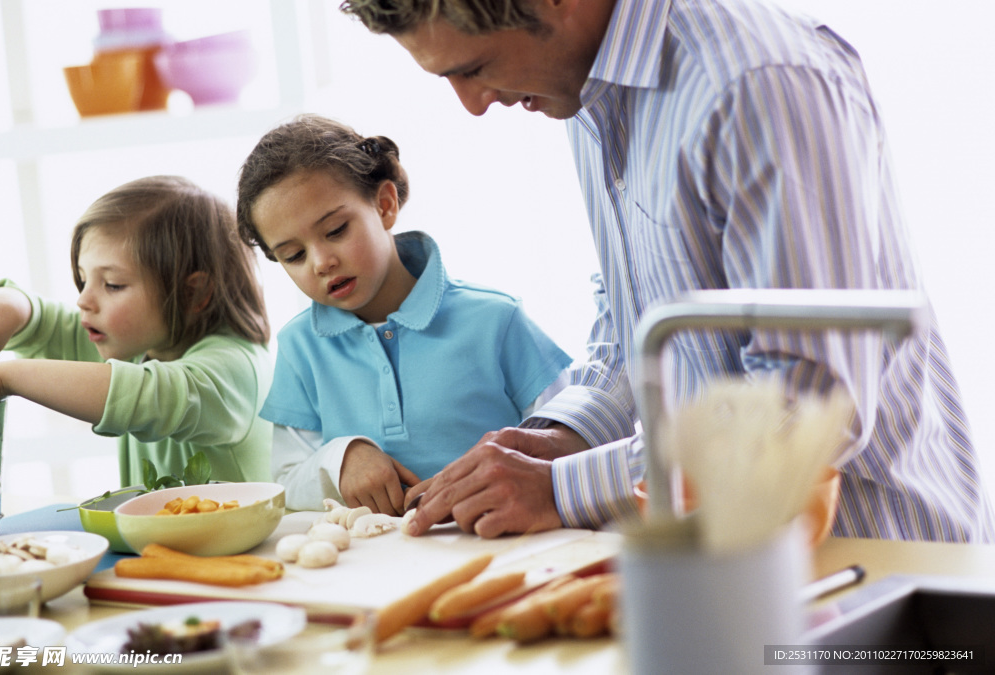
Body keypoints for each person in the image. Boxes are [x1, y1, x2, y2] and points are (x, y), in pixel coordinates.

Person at [339, 0, 995, 543]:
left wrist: (562, 487)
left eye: (474, 68)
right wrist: (554, 437)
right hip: (726, 571)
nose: (473, 105)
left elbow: (809, 406)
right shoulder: (583, 91)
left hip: (879, 571)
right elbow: (638, 320)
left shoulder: (757, 83)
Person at [235, 113, 572, 515]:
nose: (321, 262)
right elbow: (286, 483)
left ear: (385, 205)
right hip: (376, 566)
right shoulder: (298, 347)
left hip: (499, 546)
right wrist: (342, 458)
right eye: (293, 255)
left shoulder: (497, 320)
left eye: (337, 230)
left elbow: (568, 441)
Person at [0, 175, 274, 486]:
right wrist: (11, 309)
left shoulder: (237, 368)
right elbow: (47, 326)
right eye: (83, 278)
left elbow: (146, 396)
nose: (83, 300)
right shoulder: (138, 344)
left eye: (112, 285)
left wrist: (2, 378)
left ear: (192, 294)